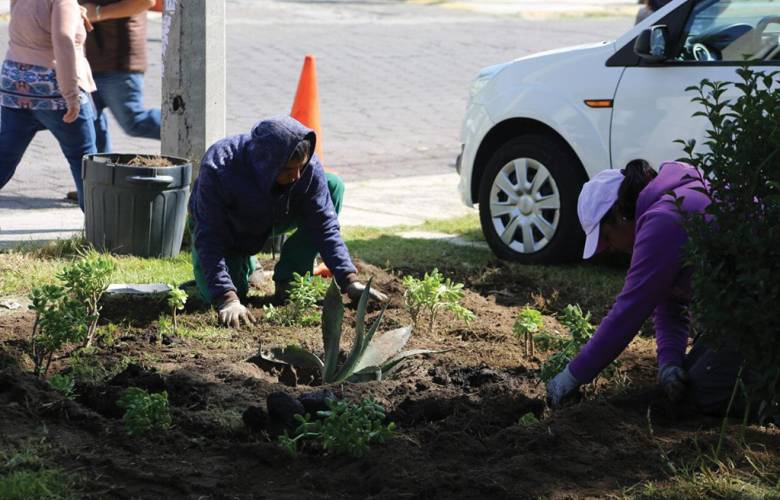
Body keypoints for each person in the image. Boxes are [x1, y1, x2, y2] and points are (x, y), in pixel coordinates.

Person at [546, 160, 744, 415]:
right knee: (693, 374)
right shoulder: (665, 204)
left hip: (763, 311)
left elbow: (628, 313)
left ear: (619, 213)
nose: (611, 248)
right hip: (747, 312)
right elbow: (670, 303)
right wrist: (669, 363)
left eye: (606, 237)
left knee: (702, 394)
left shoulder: (664, 220)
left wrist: (570, 378)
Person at [189, 116, 387, 328]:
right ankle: (241, 264)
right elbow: (210, 235)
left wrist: (349, 280)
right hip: (229, 227)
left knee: (332, 185)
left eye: (300, 168)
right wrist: (226, 297)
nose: (296, 176)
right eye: (287, 170)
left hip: (274, 215)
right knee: (229, 293)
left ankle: (290, 278)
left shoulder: (307, 168)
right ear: (267, 164)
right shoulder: (220, 166)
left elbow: (324, 225)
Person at [0, 0, 96, 210]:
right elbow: (63, 40)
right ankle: (102, 231)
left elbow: (35, 21)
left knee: (4, 157)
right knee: (85, 159)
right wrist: (71, 95)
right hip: (52, 88)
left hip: (14, 84)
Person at [80, 0, 159, 153]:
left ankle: (190, 128)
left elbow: (146, 2)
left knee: (133, 122)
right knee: (90, 124)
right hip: (87, 61)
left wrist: (98, 13)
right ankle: (100, 174)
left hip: (118, 61)